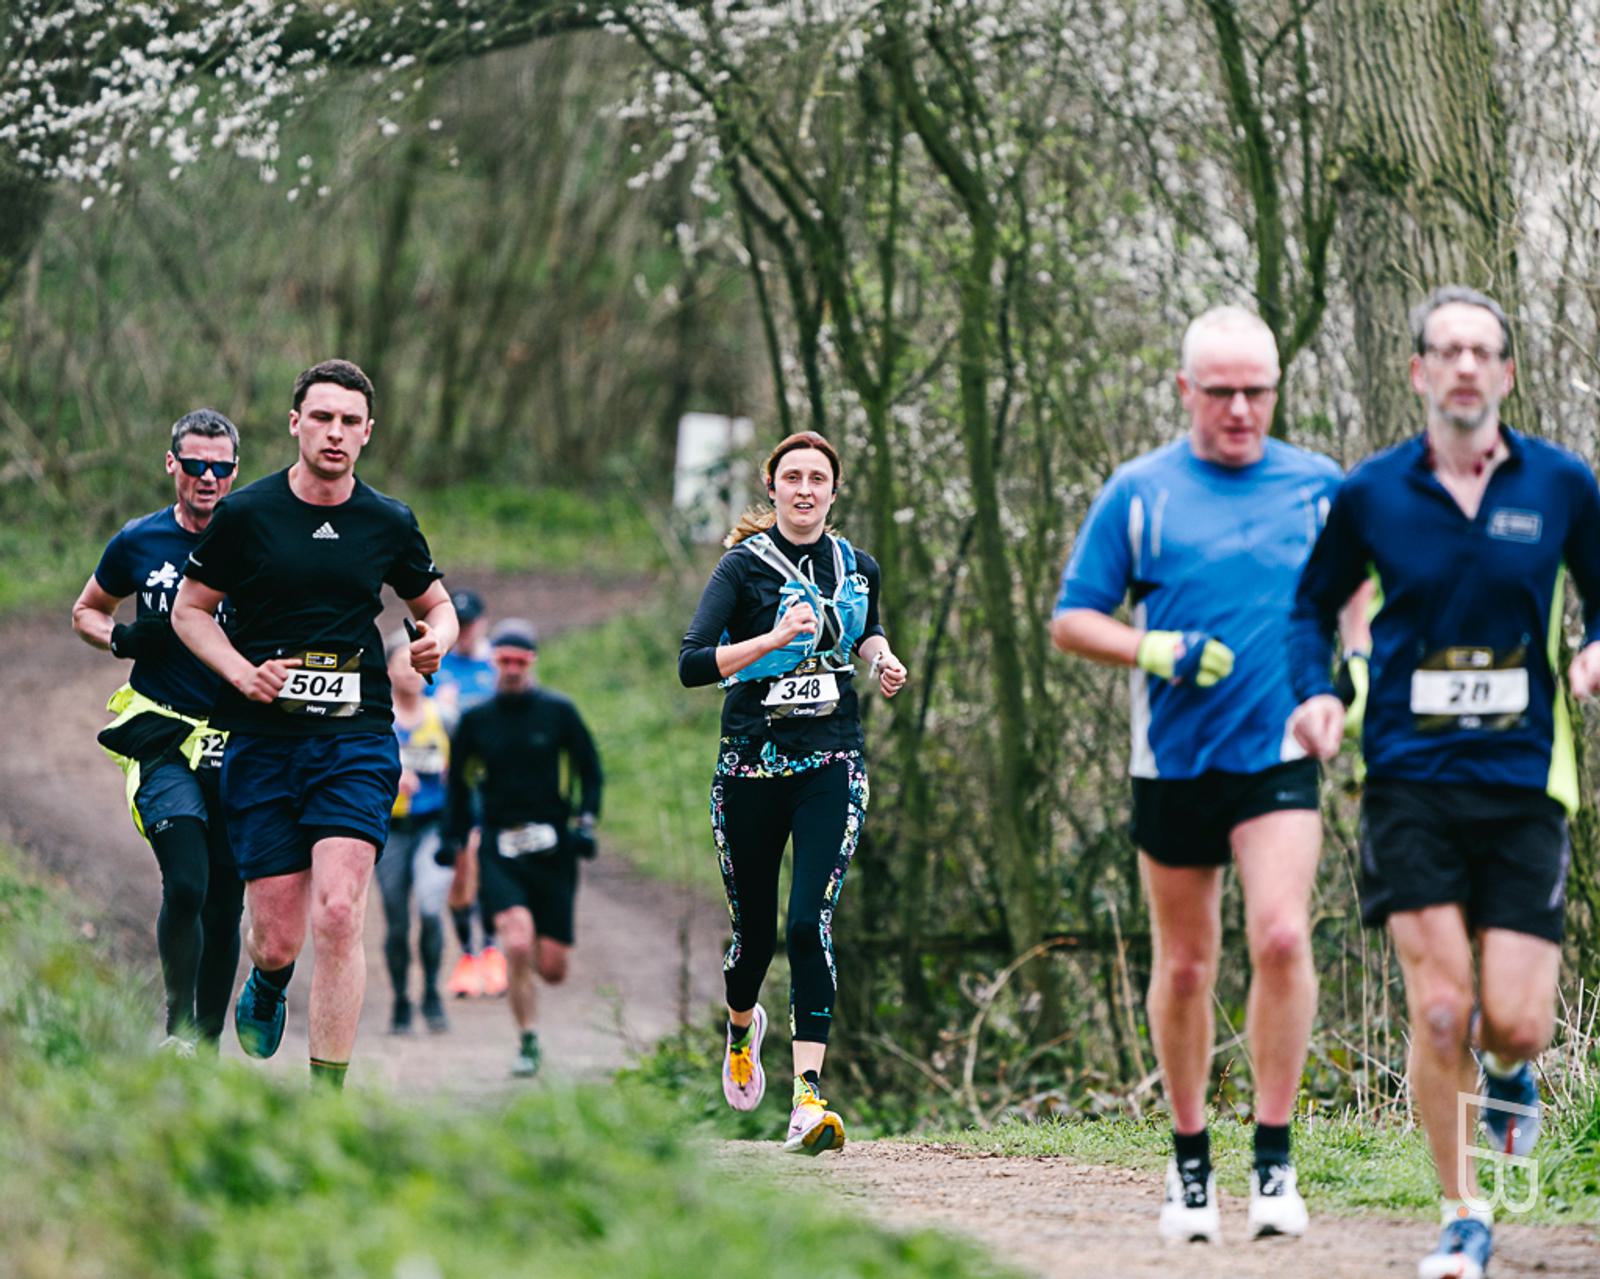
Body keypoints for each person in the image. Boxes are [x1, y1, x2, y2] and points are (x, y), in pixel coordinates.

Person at [1288, 286, 1600, 1279]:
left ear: (1506, 373)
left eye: (1483, 352)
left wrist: (1595, 648)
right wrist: (1319, 692)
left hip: (1522, 778)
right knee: (1437, 1009)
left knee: (1512, 1020)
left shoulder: (1561, 485)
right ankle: (1463, 1210)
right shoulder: (1371, 492)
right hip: (1407, 776)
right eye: (1446, 352)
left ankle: (1512, 1073)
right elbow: (1308, 609)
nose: (1465, 367)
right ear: (1419, 371)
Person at [1050, 307, 1356, 1242]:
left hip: (1278, 750)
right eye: (1219, 391)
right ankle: (1190, 1164)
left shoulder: (1319, 489)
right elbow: (1073, 619)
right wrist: (1158, 648)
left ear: (1276, 389)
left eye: (1255, 390)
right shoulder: (1140, 492)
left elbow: (1361, 602)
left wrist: (1348, 688)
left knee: (1278, 937)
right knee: (1185, 966)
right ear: (1186, 390)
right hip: (1174, 758)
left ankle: (1273, 1155)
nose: (1239, 409)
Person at [172, 358, 457, 1089]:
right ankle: (267, 979)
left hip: (354, 735)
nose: (335, 432)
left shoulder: (387, 521)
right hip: (264, 740)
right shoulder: (247, 515)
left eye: (350, 421)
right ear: (295, 422)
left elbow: (437, 604)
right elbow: (189, 610)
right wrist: (242, 673)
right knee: (275, 936)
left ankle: (326, 1097)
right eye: (322, 417)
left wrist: (436, 641)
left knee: (338, 910)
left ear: (368, 433)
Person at [679, 430, 907, 1155]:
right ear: (772, 487)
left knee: (810, 924)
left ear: (834, 492)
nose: (806, 489)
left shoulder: (856, 565)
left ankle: (808, 1098)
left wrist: (882, 657)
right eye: (793, 477)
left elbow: (865, 631)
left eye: (819, 478)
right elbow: (691, 663)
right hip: (748, 770)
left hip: (831, 764)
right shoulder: (741, 569)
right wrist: (772, 636)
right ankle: (742, 1024)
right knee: (755, 939)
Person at [70, 409, 247, 1054]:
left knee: (226, 901)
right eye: (194, 464)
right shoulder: (139, 541)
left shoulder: (254, 543)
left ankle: (206, 1046)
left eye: (220, 467)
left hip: (236, 737)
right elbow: (87, 609)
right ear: (171, 464)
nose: (206, 477)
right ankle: (177, 1032)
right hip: (160, 733)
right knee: (189, 882)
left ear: (234, 472)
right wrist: (120, 636)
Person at [438, 619, 602, 1078]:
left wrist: (585, 821)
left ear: (531, 664)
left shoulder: (558, 712)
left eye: (519, 662)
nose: (511, 669)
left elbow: (590, 770)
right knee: (516, 940)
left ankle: (533, 1001)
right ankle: (528, 1039)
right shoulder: (476, 720)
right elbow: (457, 782)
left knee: (552, 968)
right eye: (504, 661)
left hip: (553, 847)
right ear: (494, 663)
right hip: (499, 844)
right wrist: (453, 839)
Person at [376, 628, 454, 1035]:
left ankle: (432, 995)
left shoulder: (445, 718)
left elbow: (467, 777)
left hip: (433, 827)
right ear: (387, 669)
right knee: (396, 920)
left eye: (415, 661)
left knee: (429, 907)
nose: (409, 669)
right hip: (390, 830)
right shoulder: (375, 722)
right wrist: (391, 776)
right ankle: (402, 1001)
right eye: (401, 661)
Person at [431, 587, 506, 1000]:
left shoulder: (496, 665)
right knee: (461, 869)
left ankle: (492, 949)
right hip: (447, 785)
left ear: (482, 623)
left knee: (484, 858)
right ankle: (467, 953)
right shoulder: (438, 666)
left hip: (490, 785)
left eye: (470, 623)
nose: (463, 632)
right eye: (457, 624)